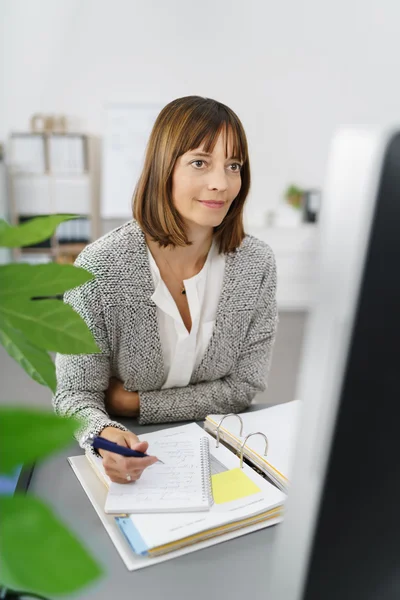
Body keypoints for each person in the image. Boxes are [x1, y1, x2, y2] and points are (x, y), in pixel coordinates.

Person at [53, 95, 278, 484]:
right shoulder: (100, 268)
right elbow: (74, 396)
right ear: (163, 168)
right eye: (199, 162)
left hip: (223, 453)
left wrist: (136, 403)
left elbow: (245, 386)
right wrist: (104, 435)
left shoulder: (255, 263)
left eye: (233, 165)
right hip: (138, 459)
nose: (221, 183)